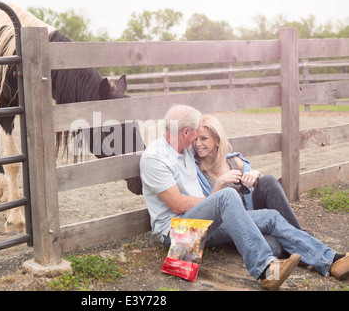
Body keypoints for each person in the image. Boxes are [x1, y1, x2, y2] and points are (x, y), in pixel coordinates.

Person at [139, 104, 348, 290]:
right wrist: (218, 204)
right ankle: (267, 270)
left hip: (204, 224)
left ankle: (332, 261)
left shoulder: (184, 149)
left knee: (271, 217)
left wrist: (248, 168)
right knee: (226, 196)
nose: (196, 141)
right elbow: (177, 205)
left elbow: (216, 148)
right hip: (178, 233)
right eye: (195, 134)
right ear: (186, 132)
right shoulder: (155, 158)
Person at [193, 115, 305, 257]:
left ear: (217, 140)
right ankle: (298, 244)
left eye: (203, 138)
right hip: (235, 224)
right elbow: (207, 208)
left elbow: (261, 190)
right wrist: (220, 183)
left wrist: (256, 174)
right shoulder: (196, 171)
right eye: (195, 139)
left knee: (268, 180)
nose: (197, 144)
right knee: (274, 247)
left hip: (255, 213)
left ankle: (299, 237)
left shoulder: (235, 161)